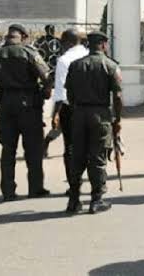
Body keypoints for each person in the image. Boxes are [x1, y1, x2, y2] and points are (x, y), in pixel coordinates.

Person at [0, 24, 52, 202]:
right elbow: (47, 78)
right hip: (29, 107)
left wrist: (2, 88)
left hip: (5, 106)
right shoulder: (29, 53)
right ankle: (35, 188)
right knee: (33, 150)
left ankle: (8, 191)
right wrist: (45, 92)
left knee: (8, 150)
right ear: (24, 36)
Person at [65, 31, 122, 214]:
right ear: (104, 44)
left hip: (79, 113)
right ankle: (97, 200)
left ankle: (73, 200)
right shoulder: (110, 65)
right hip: (100, 114)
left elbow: (69, 93)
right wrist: (118, 118)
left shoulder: (75, 66)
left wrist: (77, 107)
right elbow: (118, 96)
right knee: (98, 157)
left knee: (77, 156)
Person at [49, 29, 88, 188]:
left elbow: (61, 91)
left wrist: (55, 113)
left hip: (70, 108)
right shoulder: (90, 55)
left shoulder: (64, 60)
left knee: (71, 147)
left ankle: (74, 185)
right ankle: (96, 187)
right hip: (93, 108)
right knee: (91, 147)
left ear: (67, 42)